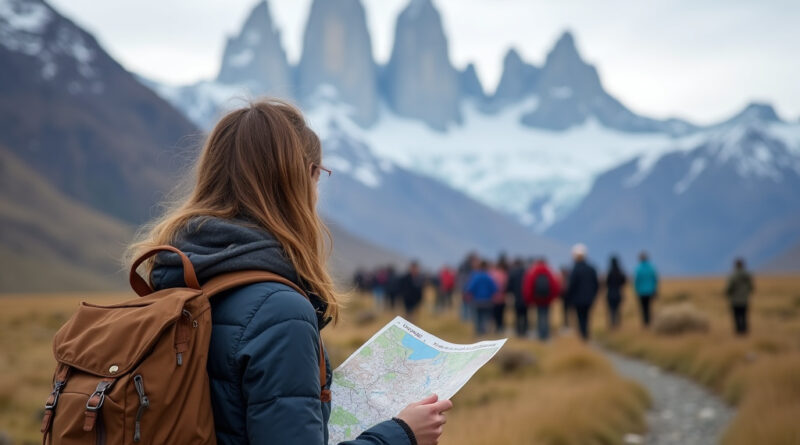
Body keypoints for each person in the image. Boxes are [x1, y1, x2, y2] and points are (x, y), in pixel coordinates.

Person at [129, 101, 451, 445]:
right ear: (302, 178)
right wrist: (402, 435)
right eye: (318, 176)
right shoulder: (280, 313)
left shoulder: (171, 279)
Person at [522, 258, 562, 341]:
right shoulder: (549, 271)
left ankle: (541, 335)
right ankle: (546, 334)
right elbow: (555, 286)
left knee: (540, 316)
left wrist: (529, 299)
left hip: (537, 298)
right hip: (547, 299)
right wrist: (552, 298)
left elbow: (528, 286)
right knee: (546, 316)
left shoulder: (533, 271)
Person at [566, 244, 599, 341]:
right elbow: (596, 284)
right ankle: (586, 334)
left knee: (580, 317)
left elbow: (571, 285)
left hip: (578, 299)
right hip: (589, 299)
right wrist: (593, 295)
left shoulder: (575, 269)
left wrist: (569, 298)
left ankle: (583, 336)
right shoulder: (591, 268)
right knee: (587, 316)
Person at [465, 260, 497, 336]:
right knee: (486, 318)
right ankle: (484, 333)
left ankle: (478, 333)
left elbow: (470, 288)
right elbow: (495, 289)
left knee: (477, 318)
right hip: (487, 301)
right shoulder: (489, 277)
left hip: (477, 301)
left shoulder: (476, 277)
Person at [726, 258, 754, 335]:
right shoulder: (747, 275)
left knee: (736, 316)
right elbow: (751, 287)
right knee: (744, 315)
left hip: (735, 300)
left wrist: (727, 293)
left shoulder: (733, 275)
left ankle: (739, 331)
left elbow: (729, 287)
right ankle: (744, 330)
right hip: (744, 299)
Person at [634, 251, 659, 327]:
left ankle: (645, 323)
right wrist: (655, 289)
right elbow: (655, 279)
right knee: (649, 307)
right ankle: (649, 322)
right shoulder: (651, 268)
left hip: (641, 292)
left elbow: (636, 281)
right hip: (650, 291)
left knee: (643, 308)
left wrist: (636, 290)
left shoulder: (638, 269)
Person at [507, 258, 528, 337]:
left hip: (516, 296)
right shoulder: (526, 272)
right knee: (525, 314)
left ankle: (518, 331)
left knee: (517, 314)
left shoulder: (512, 273)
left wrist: (509, 293)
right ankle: (525, 330)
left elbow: (509, 286)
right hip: (526, 297)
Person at [605, 256, 627, 329]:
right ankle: (618, 324)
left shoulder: (609, 272)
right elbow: (624, 281)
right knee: (618, 309)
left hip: (610, 293)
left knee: (612, 310)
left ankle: (612, 324)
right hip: (618, 293)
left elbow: (606, 282)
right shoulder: (620, 272)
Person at [489, 257, 509, 333]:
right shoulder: (505, 275)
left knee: (493, 315)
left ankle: (494, 328)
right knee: (501, 314)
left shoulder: (492, 274)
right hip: (502, 298)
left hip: (493, 298)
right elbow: (507, 286)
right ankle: (500, 327)